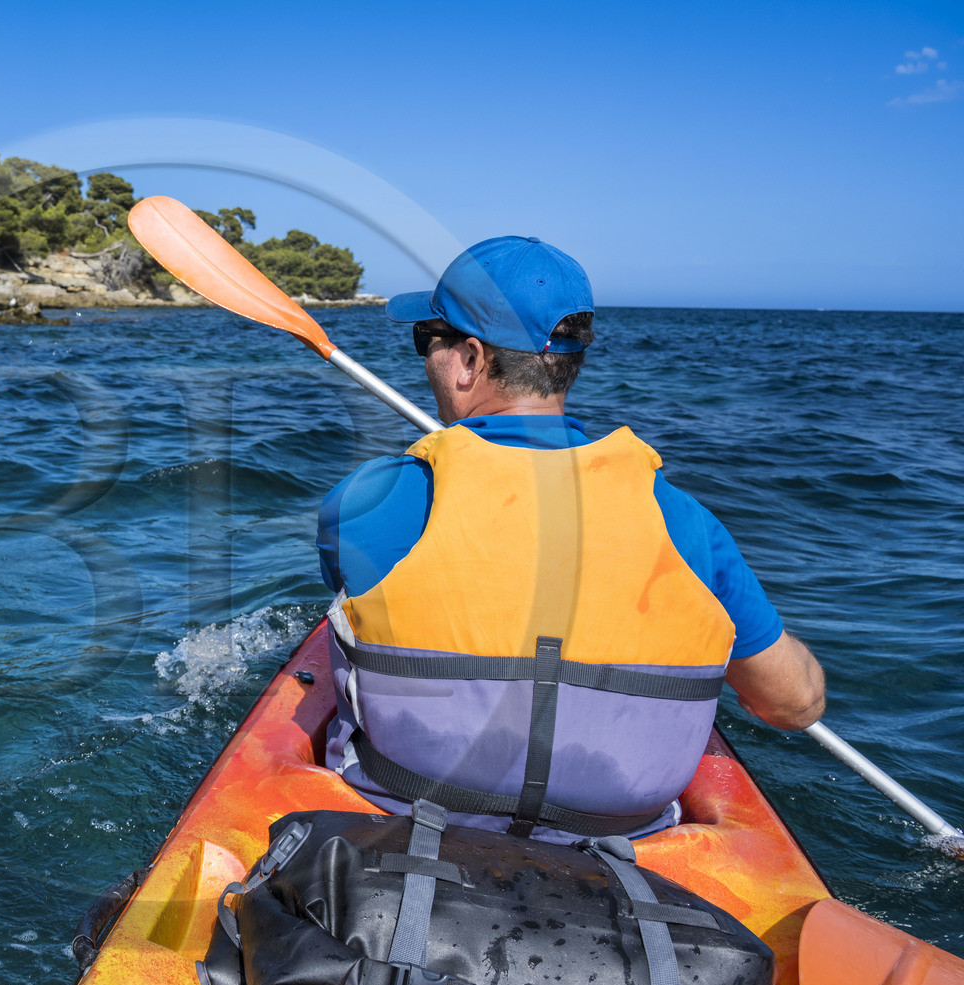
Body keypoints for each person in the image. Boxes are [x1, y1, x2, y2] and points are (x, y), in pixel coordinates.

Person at [316, 235, 825, 843]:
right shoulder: (683, 520)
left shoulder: (363, 504)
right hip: (618, 847)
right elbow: (795, 706)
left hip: (400, 819)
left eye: (428, 337)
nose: (426, 355)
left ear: (471, 359)